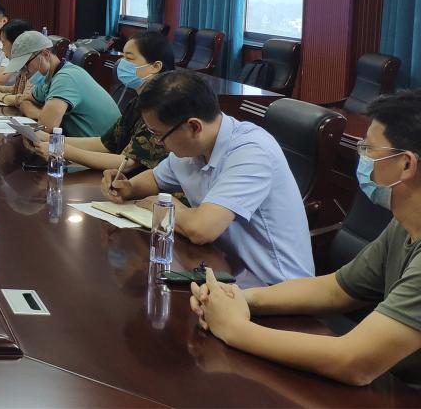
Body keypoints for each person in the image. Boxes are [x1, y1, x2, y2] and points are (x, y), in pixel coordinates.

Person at [190, 89, 421, 386]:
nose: (361, 158)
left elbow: (355, 362)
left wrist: (234, 329)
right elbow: (336, 290)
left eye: (368, 149)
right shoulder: (404, 223)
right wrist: (238, 298)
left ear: (406, 164)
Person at [101, 69, 313, 285]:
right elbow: (156, 179)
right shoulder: (193, 147)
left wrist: (166, 207)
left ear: (194, 126)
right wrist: (128, 187)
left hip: (275, 286)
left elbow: (201, 229)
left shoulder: (252, 152)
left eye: (159, 135)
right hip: (222, 271)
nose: (158, 143)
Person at [27, 31, 175, 173]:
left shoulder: (162, 107)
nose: (121, 63)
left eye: (129, 58)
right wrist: (52, 140)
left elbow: (127, 164)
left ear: (155, 66)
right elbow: (104, 143)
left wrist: (60, 149)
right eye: (123, 56)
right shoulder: (136, 103)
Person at [0, 31, 120, 138]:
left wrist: (44, 116)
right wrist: (42, 113)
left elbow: (45, 127)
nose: (24, 72)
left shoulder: (66, 78)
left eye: (25, 65)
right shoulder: (50, 78)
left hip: (100, 152)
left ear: (45, 54)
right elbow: (25, 101)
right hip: (77, 144)